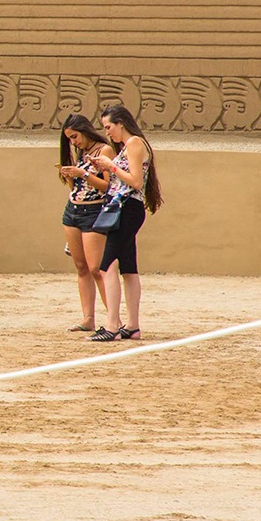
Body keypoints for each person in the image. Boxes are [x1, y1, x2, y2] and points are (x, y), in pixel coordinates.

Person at [87, 104, 163, 343]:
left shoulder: (134, 144)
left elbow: (135, 181)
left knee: (107, 265)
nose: (107, 132)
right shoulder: (130, 146)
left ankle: (112, 325)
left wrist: (111, 166)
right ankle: (132, 325)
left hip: (126, 208)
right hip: (126, 208)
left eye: (109, 127)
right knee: (128, 268)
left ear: (121, 123)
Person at [58, 113, 114, 333]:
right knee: (80, 266)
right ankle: (88, 317)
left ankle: (113, 318)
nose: (74, 142)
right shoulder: (80, 152)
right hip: (73, 210)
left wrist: (83, 174)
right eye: (70, 139)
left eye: (75, 137)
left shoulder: (104, 150)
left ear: (84, 130)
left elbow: (108, 186)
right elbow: (78, 189)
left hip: (94, 211)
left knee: (96, 268)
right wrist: (70, 176)